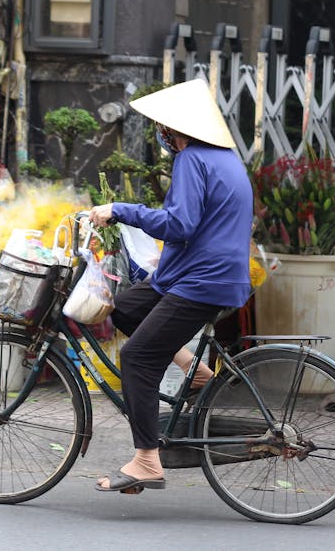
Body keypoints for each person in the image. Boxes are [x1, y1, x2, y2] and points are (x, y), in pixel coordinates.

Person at [86, 79, 253, 494]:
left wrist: (121, 210)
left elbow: (180, 223)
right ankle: (191, 368)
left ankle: (146, 461)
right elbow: (202, 225)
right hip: (203, 272)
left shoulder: (192, 159)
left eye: (163, 126)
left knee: (138, 358)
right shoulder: (224, 158)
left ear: (177, 129)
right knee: (123, 307)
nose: (160, 133)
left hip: (203, 281)